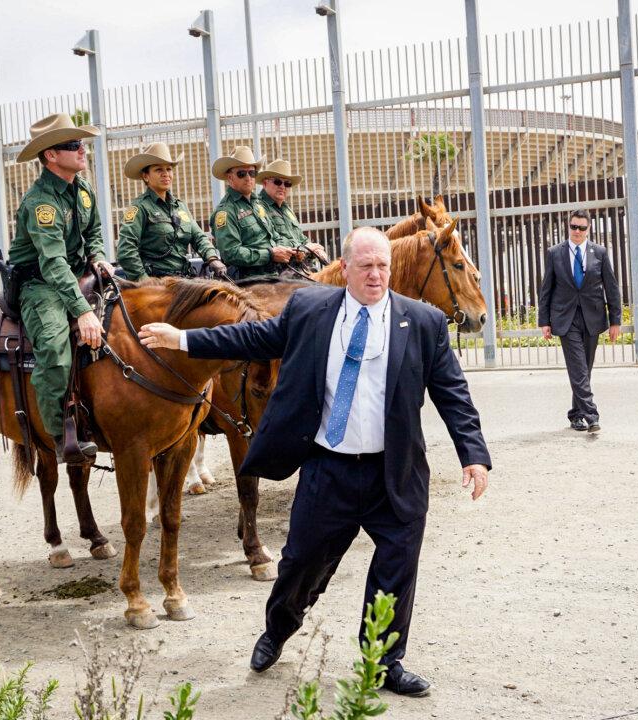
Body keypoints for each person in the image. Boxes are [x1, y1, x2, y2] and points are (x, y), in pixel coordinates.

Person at [138, 227, 491, 697]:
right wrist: (182, 339)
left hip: (395, 473)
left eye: (382, 265)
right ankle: (278, 630)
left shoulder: (422, 322)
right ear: (345, 269)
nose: (375, 274)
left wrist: (474, 455)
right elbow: (252, 337)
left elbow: (452, 392)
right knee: (301, 566)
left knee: (396, 570)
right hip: (330, 468)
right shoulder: (310, 310)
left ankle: (384, 662)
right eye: (365, 265)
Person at [8, 113, 112, 463]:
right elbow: (52, 263)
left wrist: (97, 256)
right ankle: (59, 436)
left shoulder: (82, 191)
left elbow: (95, 230)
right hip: (41, 285)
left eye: (81, 143)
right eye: (72, 145)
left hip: (79, 274)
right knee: (54, 348)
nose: (82, 150)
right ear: (51, 155)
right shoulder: (41, 203)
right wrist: (82, 310)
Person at [538, 209, 622, 433]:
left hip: (592, 316)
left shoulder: (600, 253)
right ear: (569, 227)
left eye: (582, 228)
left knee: (585, 368)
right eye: (574, 227)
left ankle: (576, 414)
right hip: (565, 318)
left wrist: (615, 320)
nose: (577, 231)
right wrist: (544, 321)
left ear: (588, 229)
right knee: (577, 367)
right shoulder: (555, 253)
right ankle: (592, 415)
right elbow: (546, 289)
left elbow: (611, 288)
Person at [116, 142, 226, 280]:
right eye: (158, 170)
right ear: (146, 176)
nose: (166, 174)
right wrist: (145, 281)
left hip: (183, 279)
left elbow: (198, 237)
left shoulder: (180, 207)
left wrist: (212, 258)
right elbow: (126, 250)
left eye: (168, 169)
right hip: (156, 283)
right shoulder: (139, 208)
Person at [210, 146, 295, 279]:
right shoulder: (225, 211)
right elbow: (231, 253)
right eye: (242, 174)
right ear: (230, 177)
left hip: (273, 274)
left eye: (252, 173)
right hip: (248, 281)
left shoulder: (258, 204)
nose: (248, 178)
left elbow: (274, 236)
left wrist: (292, 250)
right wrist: (270, 254)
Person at [255, 159, 326, 267]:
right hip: (278, 270)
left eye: (287, 183)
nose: (283, 187)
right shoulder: (259, 207)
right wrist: (305, 249)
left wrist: (314, 248)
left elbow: (300, 237)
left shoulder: (286, 209)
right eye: (277, 182)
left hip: (299, 266)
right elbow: (272, 240)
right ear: (265, 183)